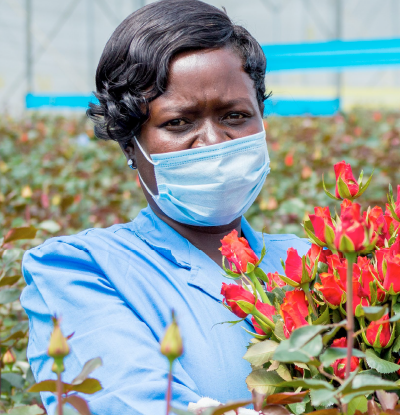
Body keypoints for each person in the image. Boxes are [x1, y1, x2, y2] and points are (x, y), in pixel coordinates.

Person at [20, 1, 309, 414]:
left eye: (235, 115)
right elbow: (126, 402)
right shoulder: (79, 269)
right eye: (179, 122)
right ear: (130, 144)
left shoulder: (317, 261)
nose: (214, 141)